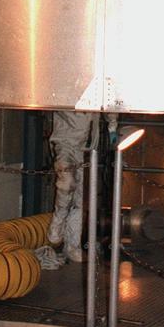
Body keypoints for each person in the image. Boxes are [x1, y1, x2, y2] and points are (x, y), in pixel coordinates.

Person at [46, 111, 116, 264]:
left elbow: (109, 103)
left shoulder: (96, 94)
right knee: (66, 183)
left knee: (81, 197)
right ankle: (58, 221)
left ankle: (72, 245)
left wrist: (112, 125)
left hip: (87, 148)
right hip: (65, 143)